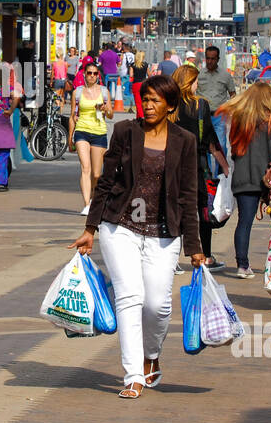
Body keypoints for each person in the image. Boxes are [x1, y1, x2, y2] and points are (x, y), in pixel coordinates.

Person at [71, 74, 205, 399]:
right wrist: (90, 228)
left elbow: (189, 194)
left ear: (170, 105)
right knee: (129, 298)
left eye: (155, 100)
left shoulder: (185, 140)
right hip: (121, 228)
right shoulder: (124, 132)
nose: (148, 105)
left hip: (164, 233)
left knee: (157, 305)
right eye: (145, 99)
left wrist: (196, 248)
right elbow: (104, 182)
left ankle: (151, 354)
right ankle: (133, 375)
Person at [216, 82, 271, 279]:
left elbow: (233, 147)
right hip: (270, 179)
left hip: (243, 177)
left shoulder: (240, 120)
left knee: (245, 222)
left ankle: (242, 265)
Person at [172, 65, 229, 272]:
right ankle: (205, 257)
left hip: (173, 166)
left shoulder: (170, 106)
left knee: (174, 211)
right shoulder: (201, 106)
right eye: (195, 81)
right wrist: (223, 163)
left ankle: (172, 259)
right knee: (202, 211)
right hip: (197, 164)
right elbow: (209, 137)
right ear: (189, 82)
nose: (198, 85)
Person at [69, 61, 113, 214]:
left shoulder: (104, 92)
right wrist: (70, 138)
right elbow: (72, 116)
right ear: (84, 74)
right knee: (85, 168)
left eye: (95, 73)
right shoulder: (78, 92)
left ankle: (94, 199)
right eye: (89, 73)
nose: (92, 76)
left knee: (96, 173)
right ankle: (87, 204)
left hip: (99, 132)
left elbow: (110, 114)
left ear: (98, 75)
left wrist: (106, 108)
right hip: (82, 131)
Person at [198, 46, 236, 175]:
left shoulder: (225, 76)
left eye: (213, 59)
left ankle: (220, 175)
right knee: (204, 146)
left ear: (218, 59)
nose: (210, 61)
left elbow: (233, 94)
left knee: (220, 145)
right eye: (207, 58)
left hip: (219, 115)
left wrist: (230, 109)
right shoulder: (199, 75)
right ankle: (207, 175)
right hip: (202, 116)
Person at [130, 50, 149, 119]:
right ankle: (139, 116)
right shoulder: (145, 65)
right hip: (144, 84)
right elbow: (149, 74)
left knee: (138, 102)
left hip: (136, 84)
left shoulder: (133, 65)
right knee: (143, 101)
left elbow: (131, 75)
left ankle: (141, 117)